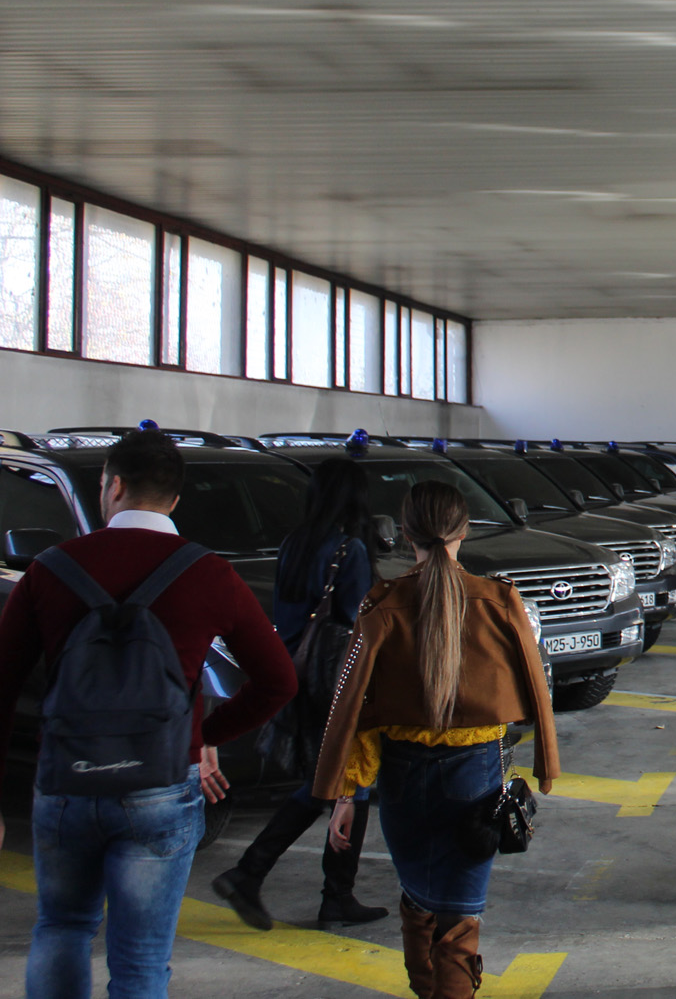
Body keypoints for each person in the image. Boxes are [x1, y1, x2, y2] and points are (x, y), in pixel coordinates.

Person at [0, 428, 296, 999]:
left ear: (112, 486)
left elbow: (3, 686)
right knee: (141, 959)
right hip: (161, 783)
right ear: (175, 499)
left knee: (62, 927)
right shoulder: (209, 573)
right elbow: (278, 682)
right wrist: (202, 737)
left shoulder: (51, 568)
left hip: (66, 782)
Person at [314, 482, 558, 999]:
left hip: (403, 778)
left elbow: (357, 710)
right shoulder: (499, 600)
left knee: (418, 898)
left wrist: (347, 795)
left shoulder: (382, 603)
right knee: (460, 916)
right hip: (476, 776)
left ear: (406, 535)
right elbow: (537, 689)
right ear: (463, 531)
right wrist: (543, 763)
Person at [215, 456, 387, 931]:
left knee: (323, 781)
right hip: (334, 680)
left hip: (296, 674)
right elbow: (355, 622)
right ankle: (328, 895)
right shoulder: (349, 549)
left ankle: (258, 876)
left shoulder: (294, 543)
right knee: (350, 782)